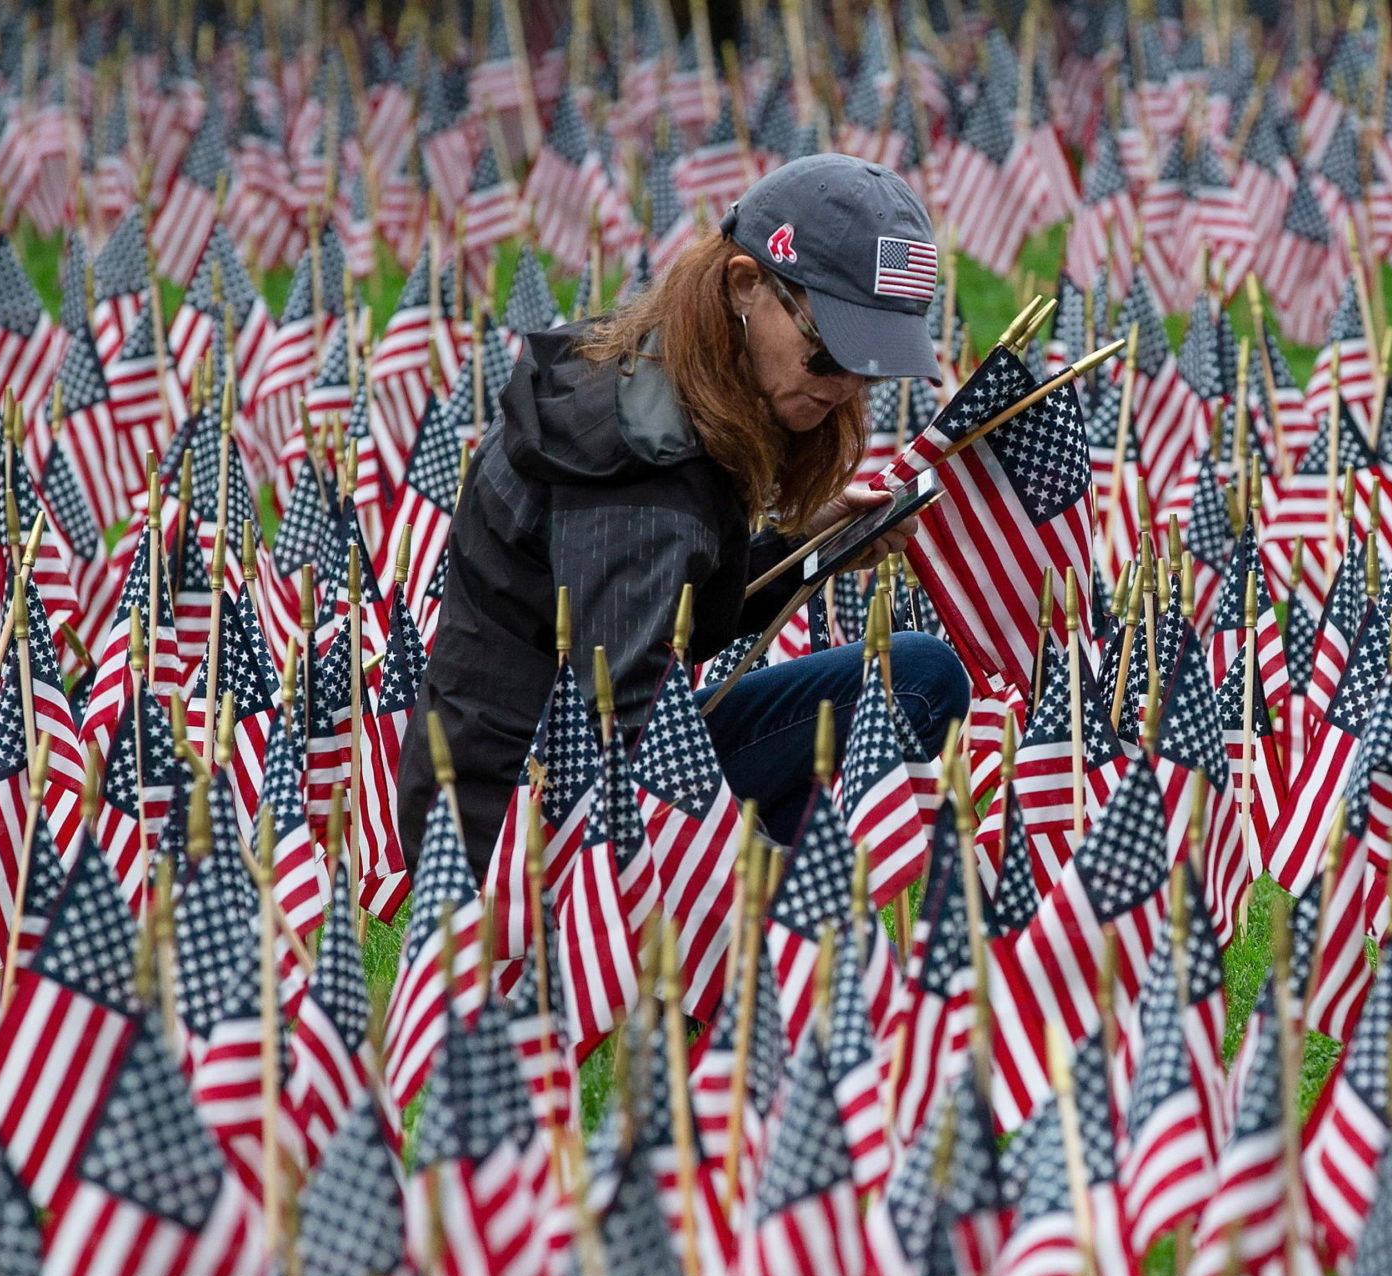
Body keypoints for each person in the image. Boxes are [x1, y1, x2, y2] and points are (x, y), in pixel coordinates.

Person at [399, 153, 970, 865]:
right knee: (811, 897)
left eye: (871, 366)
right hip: (521, 823)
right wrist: (796, 885)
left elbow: (672, 614)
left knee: (918, 676)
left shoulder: (670, 369)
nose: (846, 386)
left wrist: (809, 547)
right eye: (828, 353)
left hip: (582, 755)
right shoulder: (639, 460)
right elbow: (629, 747)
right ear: (745, 286)